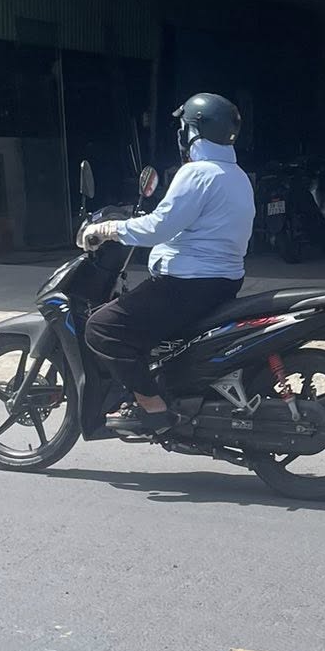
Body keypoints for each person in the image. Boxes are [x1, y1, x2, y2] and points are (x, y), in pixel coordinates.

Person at [82, 92, 255, 436]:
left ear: (193, 132)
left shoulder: (197, 174)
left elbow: (159, 227)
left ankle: (153, 409)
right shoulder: (237, 176)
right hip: (221, 282)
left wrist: (110, 229)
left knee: (102, 328)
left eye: (184, 128)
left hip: (186, 284)